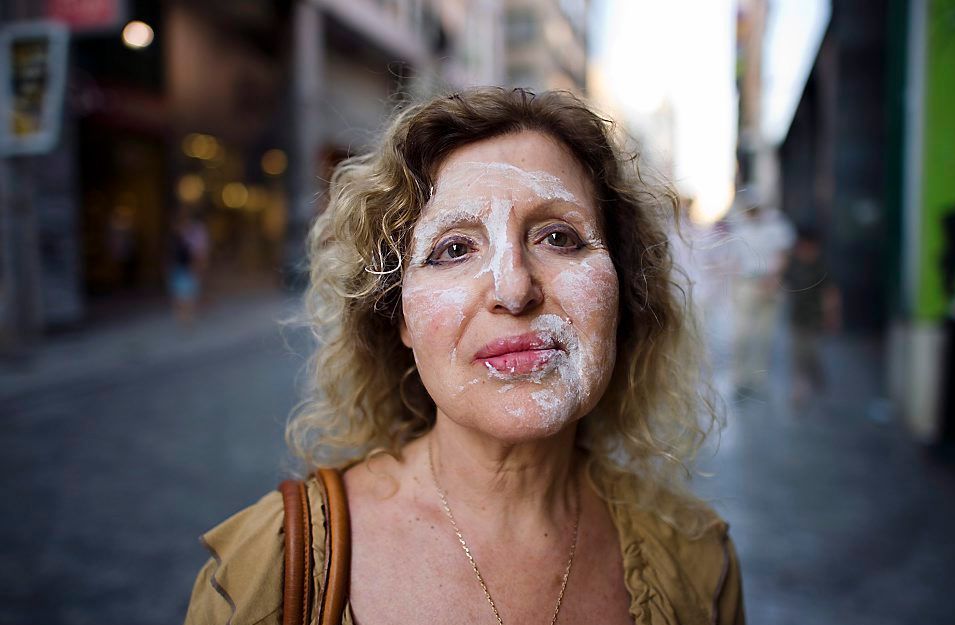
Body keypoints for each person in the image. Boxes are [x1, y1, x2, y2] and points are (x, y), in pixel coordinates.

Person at [184, 88, 744, 625]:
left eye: (558, 238)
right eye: (453, 249)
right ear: (399, 316)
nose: (514, 288)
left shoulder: (698, 564)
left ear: (623, 292)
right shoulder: (265, 576)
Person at [729, 203, 794, 394]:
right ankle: (739, 377)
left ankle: (757, 378)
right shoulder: (739, 226)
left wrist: (774, 278)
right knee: (742, 333)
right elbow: (734, 258)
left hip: (770, 283)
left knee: (765, 334)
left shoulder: (776, 225)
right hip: (746, 283)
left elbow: (783, 253)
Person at [782, 227, 841, 411]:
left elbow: (831, 293)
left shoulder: (821, 266)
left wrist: (832, 315)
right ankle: (799, 390)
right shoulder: (793, 262)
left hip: (815, 318)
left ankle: (817, 380)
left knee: (812, 353)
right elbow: (783, 281)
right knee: (798, 355)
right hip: (797, 317)